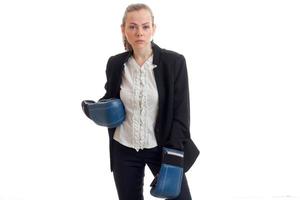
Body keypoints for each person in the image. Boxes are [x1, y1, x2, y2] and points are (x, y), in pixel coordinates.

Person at [99, 3, 199, 200]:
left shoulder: (174, 63)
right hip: (124, 148)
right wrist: (96, 108)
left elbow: (181, 115)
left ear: (153, 28)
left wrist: (173, 156)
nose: (139, 33)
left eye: (145, 26)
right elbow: (110, 98)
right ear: (123, 29)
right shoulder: (115, 63)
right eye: (133, 26)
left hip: (162, 148)